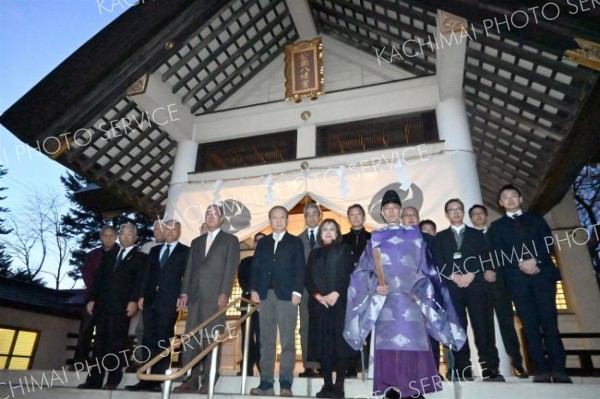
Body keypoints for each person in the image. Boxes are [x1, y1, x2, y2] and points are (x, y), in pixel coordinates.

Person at [344, 190, 466, 399]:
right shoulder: (375, 237)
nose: (391, 212)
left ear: (400, 211)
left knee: (414, 344)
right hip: (386, 301)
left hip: (412, 300)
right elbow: (363, 271)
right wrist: (375, 286)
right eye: (387, 209)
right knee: (389, 346)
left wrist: (422, 290)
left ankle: (416, 390)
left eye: (394, 208)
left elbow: (428, 269)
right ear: (382, 213)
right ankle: (392, 390)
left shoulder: (415, 236)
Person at [488, 185, 571, 383]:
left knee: (550, 323)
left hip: (543, 276)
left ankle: (559, 369)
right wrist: (520, 263)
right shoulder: (497, 227)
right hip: (517, 281)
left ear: (521, 198)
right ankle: (540, 370)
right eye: (505, 197)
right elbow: (498, 252)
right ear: (500, 203)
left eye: (513, 196)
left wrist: (536, 260)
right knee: (530, 326)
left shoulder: (536, 219)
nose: (509, 199)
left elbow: (547, 242)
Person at [432, 199, 503, 382]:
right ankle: (463, 369)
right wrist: (453, 276)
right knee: (457, 330)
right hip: (452, 289)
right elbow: (438, 261)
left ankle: (490, 369)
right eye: (451, 210)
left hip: (477, 286)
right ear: (446, 214)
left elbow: (486, 256)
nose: (455, 213)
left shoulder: (477, 235)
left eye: (458, 209)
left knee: (483, 328)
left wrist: (472, 273)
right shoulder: (439, 237)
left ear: (463, 212)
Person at [175, 205, 240, 394]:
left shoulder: (230, 240)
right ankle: (190, 379)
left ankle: (209, 378)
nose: (211, 217)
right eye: (208, 214)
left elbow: (230, 269)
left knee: (211, 338)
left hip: (215, 296)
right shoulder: (196, 241)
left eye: (215, 214)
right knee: (191, 338)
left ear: (221, 219)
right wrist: (184, 293)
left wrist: (225, 292)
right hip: (194, 296)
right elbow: (189, 270)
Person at [78, 223, 146, 390]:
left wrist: (134, 300)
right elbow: (98, 279)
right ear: (119, 236)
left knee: (117, 343)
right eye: (123, 233)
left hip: (122, 306)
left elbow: (140, 281)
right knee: (99, 343)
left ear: (135, 237)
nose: (125, 236)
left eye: (130, 234)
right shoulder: (109, 254)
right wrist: (92, 298)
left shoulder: (140, 257)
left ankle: (113, 379)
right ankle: (94, 380)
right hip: (102, 305)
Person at [125, 220, 189, 392]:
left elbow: (187, 276)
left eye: (173, 229)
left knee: (163, 338)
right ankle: (144, 378)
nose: (169, 232)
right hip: (150, 300)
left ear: (179, 231)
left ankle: (157, 379)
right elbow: (147, 275)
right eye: (166, 228)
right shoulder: (154, 250)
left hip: (170, 301)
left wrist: (182, 295)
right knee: (148, 338)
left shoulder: (186, 251)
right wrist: (141, 295)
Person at [249, 206, 305, 397]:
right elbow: (255, 267)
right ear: (270, 220)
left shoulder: (295, 242)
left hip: (287, 296)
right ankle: (266, 382)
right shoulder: (263, 243)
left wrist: (298, 291)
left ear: (287, 220)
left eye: (282, 217)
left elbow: (300, 268)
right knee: (266, 340)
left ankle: (286, 383)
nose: (278, 220)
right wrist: (254, 289)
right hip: (265, 296)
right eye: (274, 217)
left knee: (288, 340)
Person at [469, 204, 528, 378]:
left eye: (481, 213)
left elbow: (506, 254)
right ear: (470, 218)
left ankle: (517, 364)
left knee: (507, 326)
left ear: (486, 216)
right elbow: (468, 260)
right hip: (479, 288)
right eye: (474, 214)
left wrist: (493, 270)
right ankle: (491, 368)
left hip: (500, 286)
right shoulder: (469, 237)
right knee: (484, 330)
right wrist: (482, 272)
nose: (478, 216)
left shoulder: (497, 232)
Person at [306, 219, 354, 398]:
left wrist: (336, 293)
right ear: (320, 233)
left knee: (339, 345)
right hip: (320, 306)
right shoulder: (314, 254)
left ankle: (339, 384)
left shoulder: (344, 250)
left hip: (339, 304)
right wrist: (318, 296)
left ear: (337, 233)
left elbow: (349, 274)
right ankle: (327, 384)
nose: (328, 232)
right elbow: (308, 279)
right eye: (324, 229)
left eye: (332, 229)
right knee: (324, 346)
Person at [400, 207, 442, 374]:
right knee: (408, 333)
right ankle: (410, 373)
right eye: (407, 216)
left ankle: (432, 372)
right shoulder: (396, 240)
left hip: (428, 293)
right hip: (403, 295)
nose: (410, 218)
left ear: (418, 218)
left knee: (430, 332)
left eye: (413, 215)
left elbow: (439, 265)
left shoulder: (430, 240)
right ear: (401, 219)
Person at [74, 226, 119, 366]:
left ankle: (101, 361)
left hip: (112, 298)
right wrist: (94, 293)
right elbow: (87, 274)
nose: (108, 238)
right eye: (105, 235)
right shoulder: (93, 254)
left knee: (107, 330)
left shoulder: (121, 253)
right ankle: (80, 360)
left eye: (111, 235)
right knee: (86, 328)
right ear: (101, 237)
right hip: (92, 296)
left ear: (116, 236)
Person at [341, 204, 371, 377]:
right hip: (348, 289)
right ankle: (350, 366)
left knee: (369, 326)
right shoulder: (342, 239)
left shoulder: (374, 237)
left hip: (369, 288)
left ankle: (368, 365)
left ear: (364, 217)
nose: (356, 217)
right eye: (352, 215)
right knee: (350, 325)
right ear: (348, 218)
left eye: (358, 214)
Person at [297, 203, 322, 377]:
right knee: (305, 326)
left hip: (324, 289)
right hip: (305, 289)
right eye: (308, 214)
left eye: (315, 214)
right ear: (304, 217)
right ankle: (308, 365)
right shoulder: (297, 240)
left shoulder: (328, 235)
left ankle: (323, 363)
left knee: (323, 326)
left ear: (320, 216)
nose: (311, 217)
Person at [237, 232, 266, 376]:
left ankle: (263, 368)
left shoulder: (271, 261)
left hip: (266, 304)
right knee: (247, 336)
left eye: (262, 241)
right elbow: (242, 281)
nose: (259, 243)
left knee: (263, 337)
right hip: (247, 303)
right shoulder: (245, 261)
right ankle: (246, 368)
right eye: (257, 241)